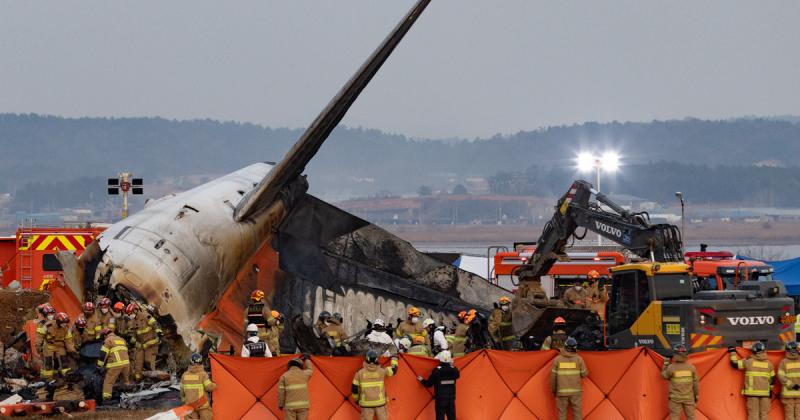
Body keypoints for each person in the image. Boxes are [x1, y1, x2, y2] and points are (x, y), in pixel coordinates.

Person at [730, 342, 775, 420]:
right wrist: (770, 390)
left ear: (753, 351)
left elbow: (735, 364)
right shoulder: (769, 364)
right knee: (764, 414)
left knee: (753, 414)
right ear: (764, 350)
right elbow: (773, 378)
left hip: (752, 393)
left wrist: (732, 352)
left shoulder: (748, 361)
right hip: (765, 393)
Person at [352, 350, 399, 420]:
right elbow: (393, 370)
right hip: (380, 403)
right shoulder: (382, 371)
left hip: (366, 404)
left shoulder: (359, 373)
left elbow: (354, 388)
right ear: (377, 359)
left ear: (366, 359)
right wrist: (394, 358)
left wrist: (356, 400)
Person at [551, 337, 589, 420]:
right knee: (577, 414)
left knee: (562, 414)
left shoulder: (557, 360)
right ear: (575, 348)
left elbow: (553, 378)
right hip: (576, 393)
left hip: (561, 392)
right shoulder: (579, 359)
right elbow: (584, 374)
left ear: (564, 347)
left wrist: (554, 390)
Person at [418, 350, 459, 420]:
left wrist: (422, 380)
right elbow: (457, 375)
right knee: (452, 418)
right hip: (451, 400)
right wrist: (452, 365)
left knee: (440, 418)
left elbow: (429, 384)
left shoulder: (437, 371)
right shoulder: (454, 370)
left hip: (440, 400)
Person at [661, 343, 698, 420]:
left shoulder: (671, 367)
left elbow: (664, 376)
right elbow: (695, 384)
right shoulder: (692, 367)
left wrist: (666, 364)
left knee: (674, 417)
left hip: (675, 398)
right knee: (691, 417)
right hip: (689, 397)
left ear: (675, 354)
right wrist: (696, 396)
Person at [127, 302, 162, 380]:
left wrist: (159, 332)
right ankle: (138, 379)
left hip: (151, 344)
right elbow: (133, 335)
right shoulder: (133, 322)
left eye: (131, 313)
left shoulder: (145, 316)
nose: (130, 315)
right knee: (138, 363)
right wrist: (133, 342)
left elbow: (155, 324)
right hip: (141, 345)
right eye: (129, 314)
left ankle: (151, 379)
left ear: (136, 310)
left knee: (148, 362)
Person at [97, 328, 130, 403]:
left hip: (115, 364)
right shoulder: (121, 339)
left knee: (108, 382)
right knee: (125, 381)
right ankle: (127, 396)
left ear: (105, 335)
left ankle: (106, 399)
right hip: (126, 364)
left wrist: (99, 365)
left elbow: (103, 354)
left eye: (103, 337)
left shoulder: (108, 341)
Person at [181, 353, 217, 420]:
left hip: (190, 404)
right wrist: (215, 385)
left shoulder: (184, 375)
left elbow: (182, 391)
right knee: (207, 416)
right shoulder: (202, 374)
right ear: (201, 363)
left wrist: (184, 400)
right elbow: (208, 387)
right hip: (201, 403)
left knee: (190, 418)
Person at [42, 312, 77, 379]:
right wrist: (38, 346)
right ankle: (47, 379)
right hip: (49, 346)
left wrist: (73, 351)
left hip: (60, 346)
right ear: (58, 321)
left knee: (64, 362)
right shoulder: (48, 325)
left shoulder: (66, 328)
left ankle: (66, 377)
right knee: (48, 363)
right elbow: (40, 335)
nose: (65, 324)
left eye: (66, 322)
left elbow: (68, 341)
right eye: (63, 322)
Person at [278, 354, 313, 420]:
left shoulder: (284, 376)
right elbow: (310, 369)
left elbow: (281, 392)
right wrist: (307, 359)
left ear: (289, 366)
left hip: (290, 406)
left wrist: (280, 404)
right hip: (303, 406)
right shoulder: (304, 374)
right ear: (300, 366)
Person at [779, 341, 800, 420]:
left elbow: (781, 376)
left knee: (789, 415)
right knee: (799, 414)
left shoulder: (783, 362)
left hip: (788, 393)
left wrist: (791, 385)